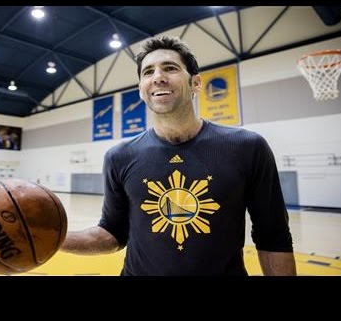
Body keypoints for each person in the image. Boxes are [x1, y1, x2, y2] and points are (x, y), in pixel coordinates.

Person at [61, 36, 296, 276]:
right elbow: (112, 233)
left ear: (195, 83)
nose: (158, 77)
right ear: (141, 90)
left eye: (170, 68)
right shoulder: (119, 156)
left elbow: (273, 236)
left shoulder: (247, 147)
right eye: (148, 72)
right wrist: (52, 238)